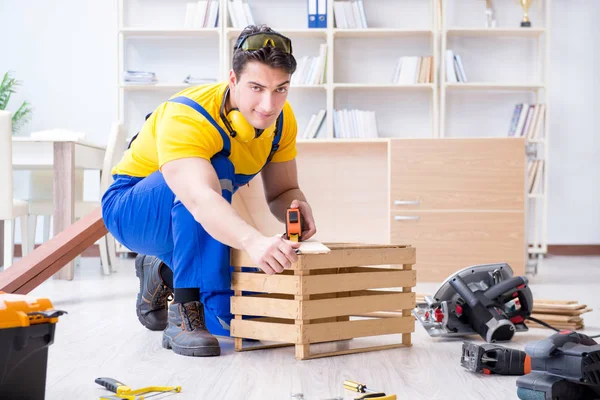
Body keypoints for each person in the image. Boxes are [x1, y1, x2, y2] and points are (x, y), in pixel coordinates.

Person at [101, 24, 317, 357]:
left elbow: (282, 190)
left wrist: (297, 206)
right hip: (131, 209)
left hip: (197, 211)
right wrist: (253, 241)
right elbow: (199, 199)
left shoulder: (282, 120)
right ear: (233, 80)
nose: (268, 103)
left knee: (237, 322)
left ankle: (161, 269)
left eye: (281, 89)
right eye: (256, 87)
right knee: (218, 168)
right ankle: (184, 312)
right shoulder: (188, 115)